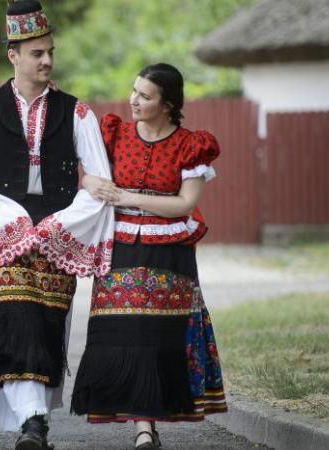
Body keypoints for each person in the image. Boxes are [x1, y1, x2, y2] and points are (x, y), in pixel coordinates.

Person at [0, 1, 115, 449]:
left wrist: (59, 227)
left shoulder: (77, 113)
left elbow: (98, 186)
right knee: (11, 317)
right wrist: (12, 228)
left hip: (60, 234)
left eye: (50, 52)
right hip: (5, 235)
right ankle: (32, 421)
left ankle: (34, 419)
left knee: (46, 321)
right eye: (36, 53)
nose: (45, 60)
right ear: (13, 55)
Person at [70, 63, 227, 450]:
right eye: (134, 91)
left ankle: (150, 422)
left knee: (161, 335)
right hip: (120, 242)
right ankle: (141, 425)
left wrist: (125, 197)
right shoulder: (115, 135)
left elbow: (185, 203)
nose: (133, 100)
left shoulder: (191, 144)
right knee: (125, 331)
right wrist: (95, 184)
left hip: (170, 249)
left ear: (169, 105)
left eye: (145, 96)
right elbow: (85, 174)